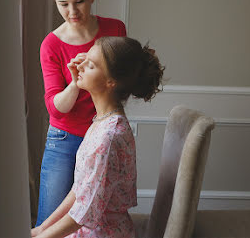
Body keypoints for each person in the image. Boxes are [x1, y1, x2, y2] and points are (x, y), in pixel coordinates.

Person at [32, 36, 164, 238]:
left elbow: (85, 213)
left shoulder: (108, 137)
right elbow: (80, 190)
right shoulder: (102, 121)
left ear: (111, 82)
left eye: (91, 64)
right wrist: (42, 229)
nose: (80, 65)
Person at [37, 0, 127, 226]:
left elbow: (122, 83)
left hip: (104, 135)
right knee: (49, 222)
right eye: (63, 4)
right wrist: (76, 83)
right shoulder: (51, 44)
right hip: (64, 140)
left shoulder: (115, 30)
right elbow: (56, 108)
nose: (72, 12)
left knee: (96, 219)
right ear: (55, 0)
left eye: (80, 1)